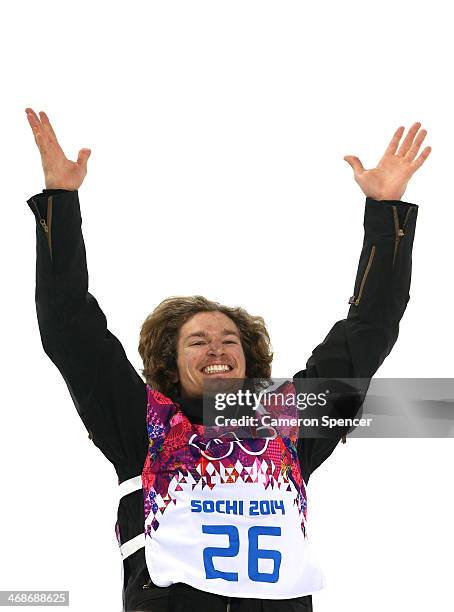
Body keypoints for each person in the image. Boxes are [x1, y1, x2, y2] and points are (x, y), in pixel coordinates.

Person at [25, 107, 431, 612]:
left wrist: (386, 210)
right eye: (197, 341)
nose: (216, 347)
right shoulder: (140, 425)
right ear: (171, 366)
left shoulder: (289, 427)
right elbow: (70, 330)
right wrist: (60, 202)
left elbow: (367, 332)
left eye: (229, 340)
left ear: (249, 360)